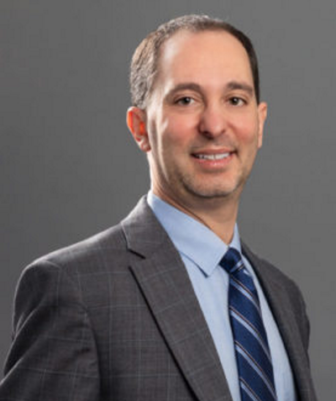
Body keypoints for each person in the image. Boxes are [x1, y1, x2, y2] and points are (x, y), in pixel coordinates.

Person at [0, 14, 317, 401]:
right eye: (186, 100)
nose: (215, 124)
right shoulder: (75, 289)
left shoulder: (284, 298)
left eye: (235, 100)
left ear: (259, 121)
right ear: (140, 127)